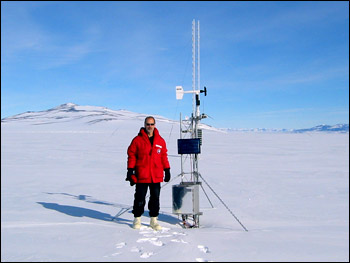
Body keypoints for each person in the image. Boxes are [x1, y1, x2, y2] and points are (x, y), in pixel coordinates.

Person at [126, 116, 171, 230]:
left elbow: (163, 156)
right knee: (140, 197)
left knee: (155, 198)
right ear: (144, 125)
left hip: (156, 175)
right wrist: (130, 171)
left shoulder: (160, 141)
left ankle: (154, 220)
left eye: (151, 124)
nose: (149, 126)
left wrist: (167, 169)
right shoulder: (137, 140)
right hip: (142, 174)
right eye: (147, 124)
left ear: (155, 125)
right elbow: (132, 155)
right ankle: (137, 218)